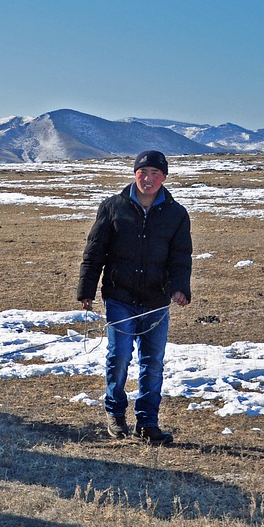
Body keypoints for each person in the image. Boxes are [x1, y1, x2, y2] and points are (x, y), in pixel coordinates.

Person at [76, 150, 192, 445]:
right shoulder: (113, 207)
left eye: (155, 173)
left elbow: (180, 257)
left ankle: (147, 423)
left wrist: (179, 287)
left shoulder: (176, 214)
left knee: (153, 363)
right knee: (119, 357)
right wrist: (86, 291)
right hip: (120, 297)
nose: (148, 178)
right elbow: (94, 253)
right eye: (143, 172)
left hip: (155, 301)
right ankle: (115, 415)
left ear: (164, 178)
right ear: (134, 174)